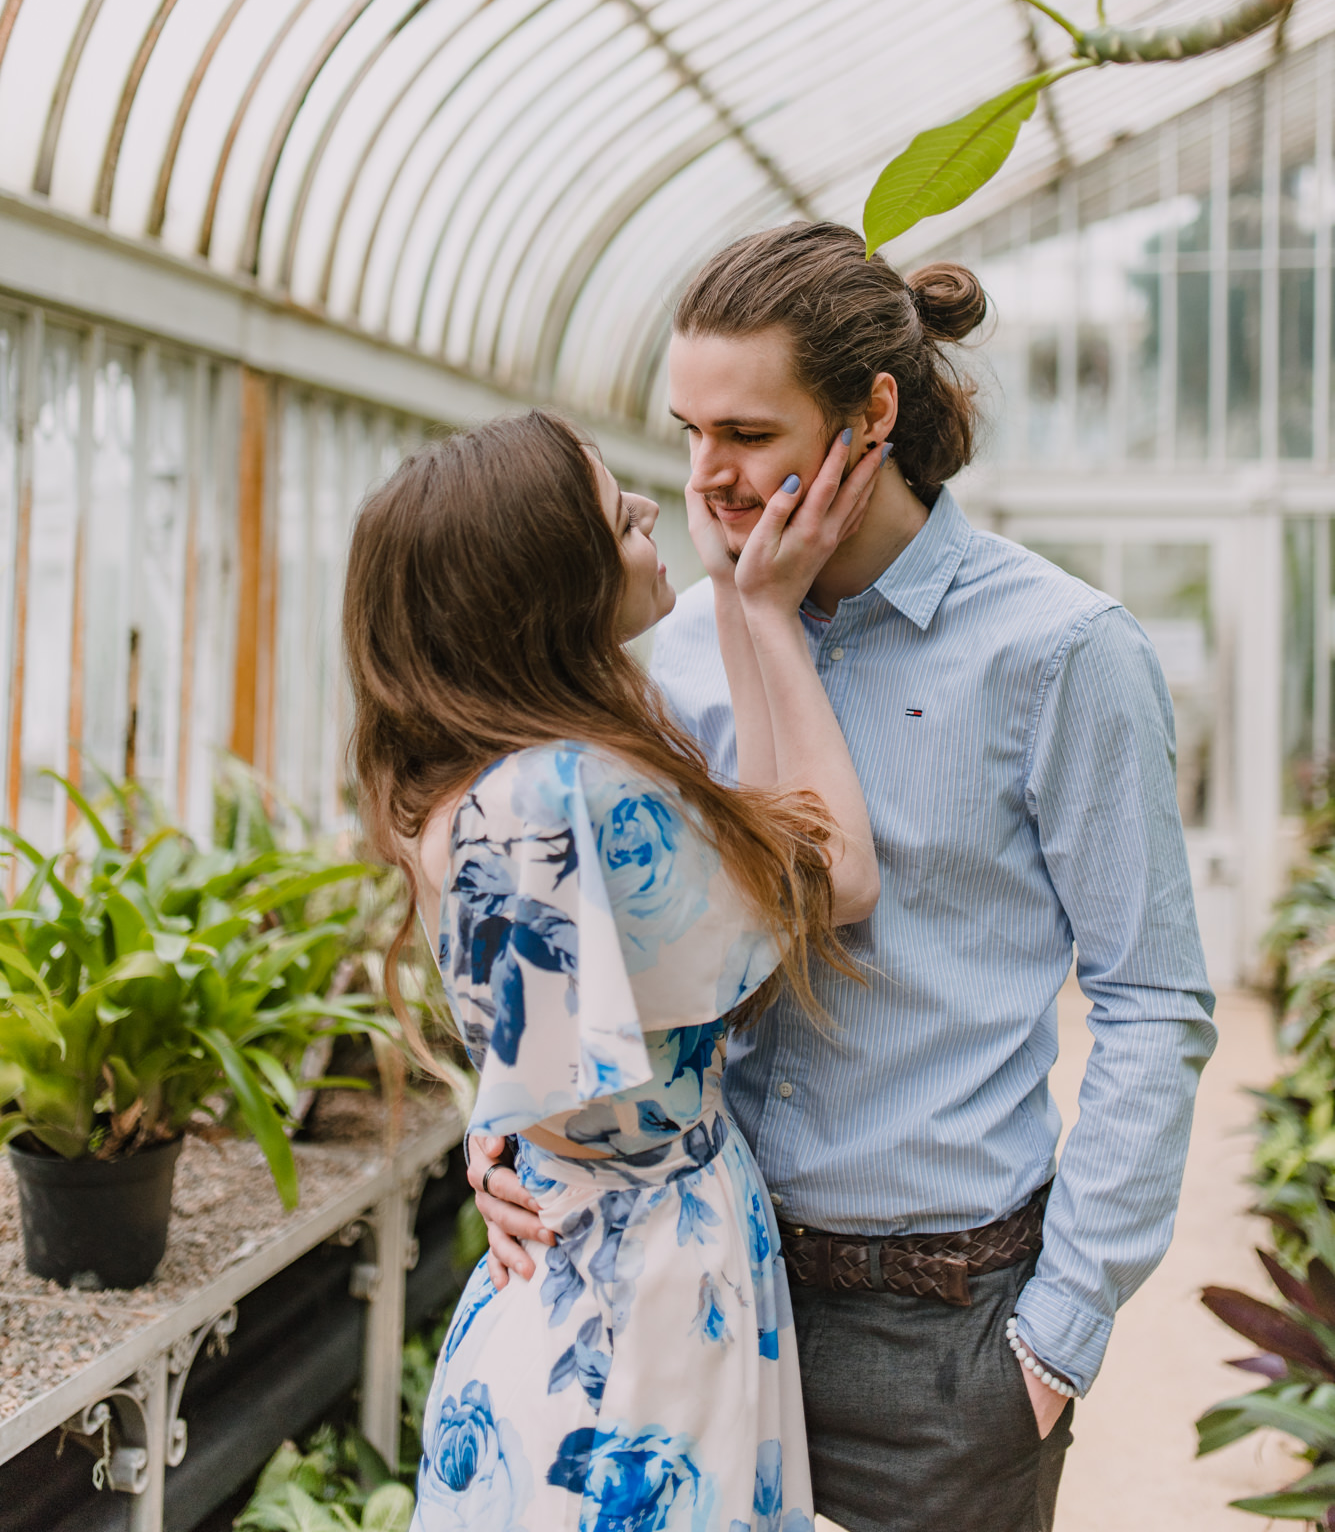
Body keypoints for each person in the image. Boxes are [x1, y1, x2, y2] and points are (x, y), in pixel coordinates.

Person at [469, 222, 1219, 1532]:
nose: (705, 477)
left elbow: (1151, 1004)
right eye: (687, 430)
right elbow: (567, 918)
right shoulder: (672, 640)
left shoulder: (1058, 653)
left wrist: (1051, 1339)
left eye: (747, 435)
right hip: (699, 1300)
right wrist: (502, 1131)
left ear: (872, 411)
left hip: (939, 1333)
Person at [341, 404, 886, 1531]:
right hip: (638, 1311)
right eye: (612, 505)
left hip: (573, 1256)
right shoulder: (562, 792)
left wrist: (741, 598)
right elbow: (832, 873)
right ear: (543, 577)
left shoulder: (478, 781)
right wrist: (772, 614)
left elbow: (545, 1072)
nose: (650, 505)